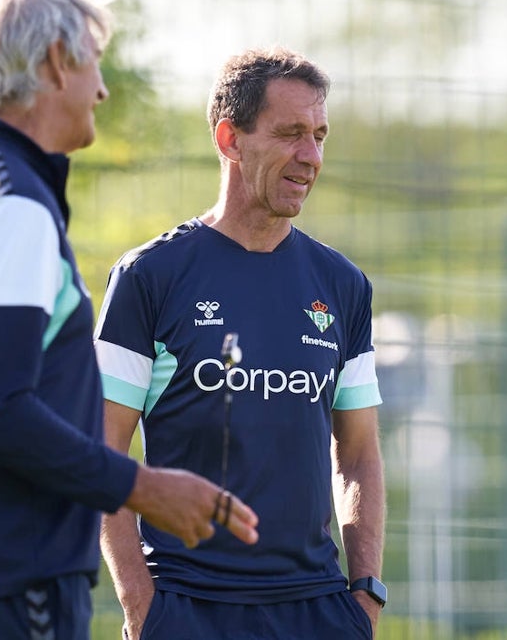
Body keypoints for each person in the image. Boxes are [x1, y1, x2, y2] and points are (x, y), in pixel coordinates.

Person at [0, 0, 259, 639]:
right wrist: (144, 488)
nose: (101, 89)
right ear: (54, 63)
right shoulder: (5, 201)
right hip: (9, 585)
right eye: (93, 63)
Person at [95, 47, 387, 639]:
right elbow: (99, 450)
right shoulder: (150, 277)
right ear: (231, 139)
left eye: (320, 135)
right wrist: (143, 608)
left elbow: (357, 453)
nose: (311, 156)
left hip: (319, 611)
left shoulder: (342, 285)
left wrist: (365, 595)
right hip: (186, 608)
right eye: (290, 134)